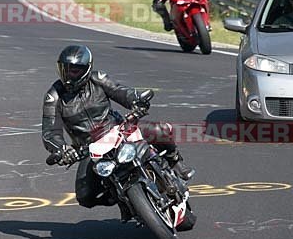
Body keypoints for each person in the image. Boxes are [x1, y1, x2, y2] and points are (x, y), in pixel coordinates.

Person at [41, 45, 194, 222]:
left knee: (160, 130)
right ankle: (122, 198)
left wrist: (137, 101)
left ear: (86, 69)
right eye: (65, 70)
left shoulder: (97, 79)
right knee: (85, 196)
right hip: (89, 148)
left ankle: (175, 161)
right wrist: (61, 150)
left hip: (118, 130)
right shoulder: (53, 96)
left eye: (75, 71)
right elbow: (50, 131)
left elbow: (121, 92)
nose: (69, 76)